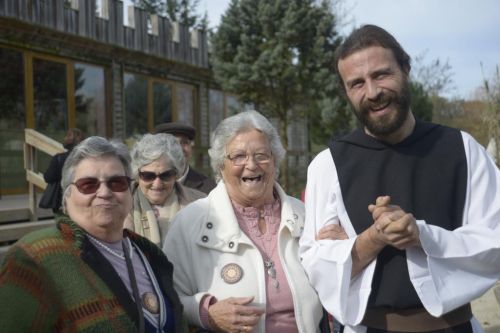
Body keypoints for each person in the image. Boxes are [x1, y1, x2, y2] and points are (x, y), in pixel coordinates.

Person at [299, 24, 500, 333]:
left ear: (406, 68)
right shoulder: (328, 165)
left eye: (381, 74)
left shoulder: (461, 149)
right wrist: (373, 238)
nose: (373, 92)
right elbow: (315, 264)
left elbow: (495, 241)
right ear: (346, 92)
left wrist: (422, 236)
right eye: (357, 83)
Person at [163, 110, 328, 333]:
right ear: (221, 165)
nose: (251, 165)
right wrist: (205, 313)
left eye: (261, 155)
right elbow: (166, 299)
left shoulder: (304, 214)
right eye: (238, 156)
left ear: (275, 160)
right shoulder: (190, 221)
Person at [0, 136, 187, 332]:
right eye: (88, 184)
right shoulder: (35, 257)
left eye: (116, 182)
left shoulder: (147, 253)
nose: (104, 192)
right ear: (67, 196)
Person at [124, 133, 205, 247]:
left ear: (176, 174)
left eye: (166, 175)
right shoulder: (120, 205)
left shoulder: (201, 204)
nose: (157, 184)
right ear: (137, 175)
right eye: (148, 176)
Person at [154, 122, 216, 194]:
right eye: (173, 143)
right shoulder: (148, 184)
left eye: (184, 142)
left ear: (191, 148)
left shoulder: (209, 188)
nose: (179, 149)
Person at [42, 128, 84, 213]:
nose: (65, 138)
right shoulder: (87, 158)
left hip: (62, 200)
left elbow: (48, 177)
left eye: (68, 135)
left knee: (64, 224)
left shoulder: (59, 158)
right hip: (82, 198)